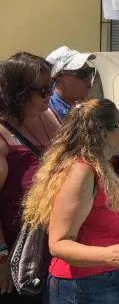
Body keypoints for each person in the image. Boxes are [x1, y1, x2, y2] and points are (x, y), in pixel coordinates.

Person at [20, 98, 119, 304]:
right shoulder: (81, 171)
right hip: (85, 286)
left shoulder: (101, 165)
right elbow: (59, 243)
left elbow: (99, 214)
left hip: (104, 280)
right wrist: (108, 255)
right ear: (104, 133)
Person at [0, 52, 60, 303]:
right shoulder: (3, 137)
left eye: (52, 86)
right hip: (18, 256)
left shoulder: (49, 116)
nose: (50, 94)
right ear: (19, 92)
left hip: (52, 247)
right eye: (43, 89)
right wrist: (2, 258)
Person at [46, 46, 96, 120]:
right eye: (82, 73)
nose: (89, 79)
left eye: (90, 71)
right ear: (58, 77)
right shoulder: (46, 114)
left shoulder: (92, 109)